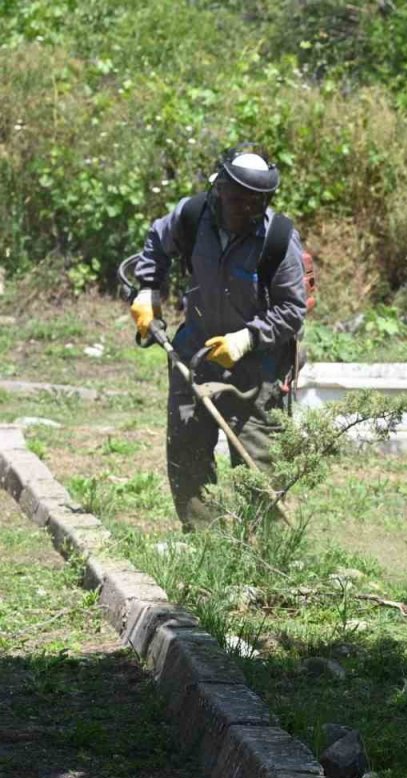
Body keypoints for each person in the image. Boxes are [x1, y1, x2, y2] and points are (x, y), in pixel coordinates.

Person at [128, 144, 307, 530]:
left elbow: (293, 310)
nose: (244, 209)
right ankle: (205, 543)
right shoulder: (192, 215)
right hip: (197, 352)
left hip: (259, 365)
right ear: (220, 189)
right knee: (187, 453)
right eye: (237, 199)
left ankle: (268, 550)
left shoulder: (277, 239)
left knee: (260, 463)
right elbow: (157, 242)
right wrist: (148, 290)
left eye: (254, 202)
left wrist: (246, 339)